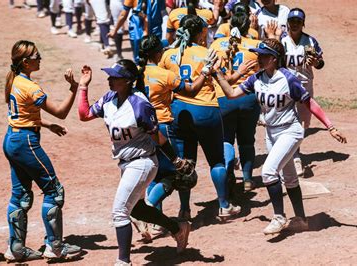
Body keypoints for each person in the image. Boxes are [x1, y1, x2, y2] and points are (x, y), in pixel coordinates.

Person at [212, 38, 347, 235]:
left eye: (263, 55)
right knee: (289, 178)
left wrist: (330, 126)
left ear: (274, 59)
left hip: (290, 131)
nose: (258, 57)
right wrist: (217, 74)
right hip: (271, 134)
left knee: (268, 172)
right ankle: (301, 220)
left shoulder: (288, 79)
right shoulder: (256, 79)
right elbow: (232, 93)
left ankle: (279, 217)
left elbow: (310, 103)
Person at [77, 59, 192, 265]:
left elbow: (157, 137)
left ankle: (123, 261)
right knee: (137, 209)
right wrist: (83, 86)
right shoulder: (109, 99)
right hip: (126, 163)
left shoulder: (140, 105)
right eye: (110, 75)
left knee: (120, 212)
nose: (110, 79)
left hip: (143, 162)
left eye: (115, 77)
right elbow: (84, 115)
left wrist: (175, 161)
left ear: (129, 81)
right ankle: (178, 228)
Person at [3, 40, 82, 262]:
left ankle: (16, 249)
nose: (40, 59)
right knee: (54, 191)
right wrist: (74, 88)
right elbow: (61, 112)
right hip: (26, 143)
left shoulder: (15, 80)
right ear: (26, 62)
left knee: (20, 195)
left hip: (12, 138)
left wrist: (46, 125)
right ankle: (55, 247)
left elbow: (22, 114)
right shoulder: (31, 87)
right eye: (37, 56)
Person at [159, 14, 241, 219]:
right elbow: (223, 76)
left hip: (179, 111)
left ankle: (184, 210)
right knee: (216, 161)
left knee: (186, 162)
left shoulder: (168, 54)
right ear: (199, 32)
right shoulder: (208, 53)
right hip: (206, 110)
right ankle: (224, 205)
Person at [134, 35, 209, 238]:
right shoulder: (164, 74)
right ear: (158, 53)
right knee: (173, 175)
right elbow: (192, 90)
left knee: (152, 174)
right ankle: (145, 210)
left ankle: (156, 222)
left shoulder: (134, 73)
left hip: (136, 131)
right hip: (161, 128)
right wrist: (205, 71)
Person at [210, 12, 260, 193]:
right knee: (247, 141)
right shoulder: (256, 45)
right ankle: (247, 179)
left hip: (223, 98)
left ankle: (228, 174)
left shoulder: (216, 44)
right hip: (248, 98)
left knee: (226, 140)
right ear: (249, 26)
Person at [282, 8, 325, 177]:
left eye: (298, 22)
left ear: (303, 24)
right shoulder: (281, 41)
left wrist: (316, 62)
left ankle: (293, 153)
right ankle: (295, 156)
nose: (294, 24)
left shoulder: (310, 41)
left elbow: (321, 64)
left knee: (302, 126)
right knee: (289, 122)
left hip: (305, 87)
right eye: (292, 21)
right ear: (288, 23)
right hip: (286, 88)